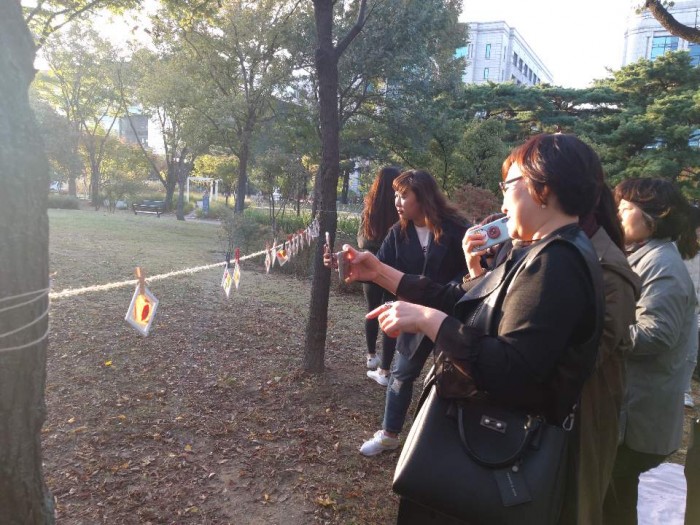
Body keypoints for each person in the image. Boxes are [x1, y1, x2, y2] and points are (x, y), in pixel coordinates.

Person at [332, 133, 606, 523]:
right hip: (482, 446)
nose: (502, 202)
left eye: (508, 185)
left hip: (496, 454)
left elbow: (510, 371)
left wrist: (428, 320)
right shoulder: (533, 250)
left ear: (542, 188)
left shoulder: (557, 263)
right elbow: (458, 297)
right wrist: (378, 271)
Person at [603, 178, 699, 525]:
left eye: (625, 208)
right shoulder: (644, 256)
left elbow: (656, 335)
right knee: (613, 497)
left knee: (613, 500)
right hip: (630, 411)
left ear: (655, 218)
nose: (617, 215)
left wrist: (598, 331)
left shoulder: (662, 265)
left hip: (637, 419)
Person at [358, 169, 468, 455]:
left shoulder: (457, 228)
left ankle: (448, 445)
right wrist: (345, 264)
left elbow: (473, 271)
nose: (397, 201)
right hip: (412, 317)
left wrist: (453, 288)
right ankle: (389, 435)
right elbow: (378, 268)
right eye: (396, 194)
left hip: (451, 317)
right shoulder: (398, 233)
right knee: (401, 375)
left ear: (424, 197)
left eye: (404, 195)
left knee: (451, 380)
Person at [357, 166, 400, 373]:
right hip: (394, 268)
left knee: (372, 310)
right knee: (391, 313)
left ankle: (371, 356)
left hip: (369, 265)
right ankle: (385, 369)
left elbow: (361, 241)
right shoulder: (400, 211)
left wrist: (372, 249)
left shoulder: (369, 210)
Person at [683, 206, 700, 407]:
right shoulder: (671, 250)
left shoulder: (697, 255)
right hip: (676, 309)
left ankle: (685, 389)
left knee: (690, 354)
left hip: (693, 311)